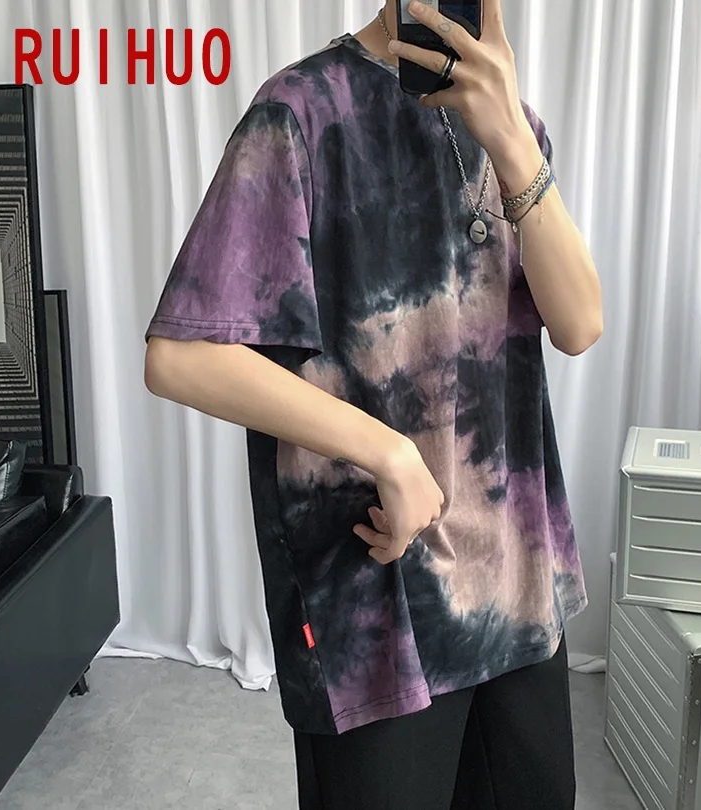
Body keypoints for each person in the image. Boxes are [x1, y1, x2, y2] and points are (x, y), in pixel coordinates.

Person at [144, 0, 603, 806]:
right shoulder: (300, 114)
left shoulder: (515, 126)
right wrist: (387, 451)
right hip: (375, 602)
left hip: (517, 591)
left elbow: (579, 324)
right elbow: (183, 355)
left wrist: (510, 138)